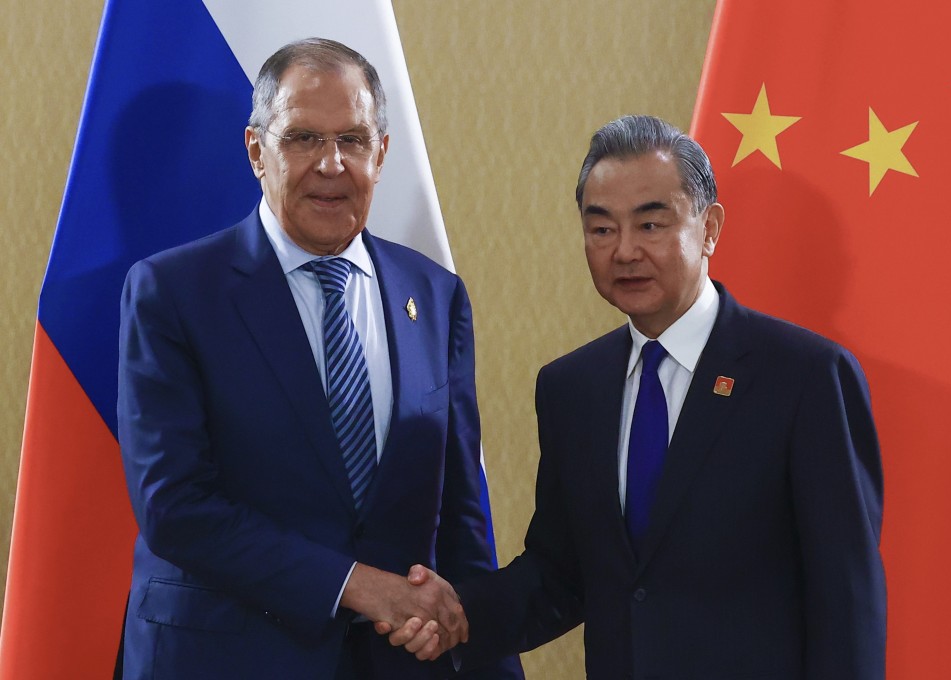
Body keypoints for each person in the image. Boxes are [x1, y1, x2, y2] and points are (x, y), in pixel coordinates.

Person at [384, 115, 887, 679]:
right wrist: (457, 615)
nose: (624, 251)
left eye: (651, 225)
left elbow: (847, 601)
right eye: (601, 229)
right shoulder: (571, 388)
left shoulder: (805, 377)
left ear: (710, 227)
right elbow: (561, 572)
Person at [117, 37, 522, 679]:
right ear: (257, 150)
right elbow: (175, 505)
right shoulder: (174, 293)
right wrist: (356, 585)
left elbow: (462, 514)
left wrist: (493, 666)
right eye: (303, 138)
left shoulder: (435, 295)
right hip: (224, 658)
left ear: (382, 154)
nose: (331, 164)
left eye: (353, 140)